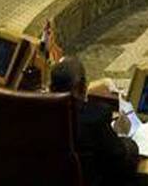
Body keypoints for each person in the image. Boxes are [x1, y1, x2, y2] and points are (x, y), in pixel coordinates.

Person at [50, 56, 139, 186]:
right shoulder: (95, 117)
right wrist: (125, 139)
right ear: (82, 86)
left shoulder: (37, 116)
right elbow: (120, 156)